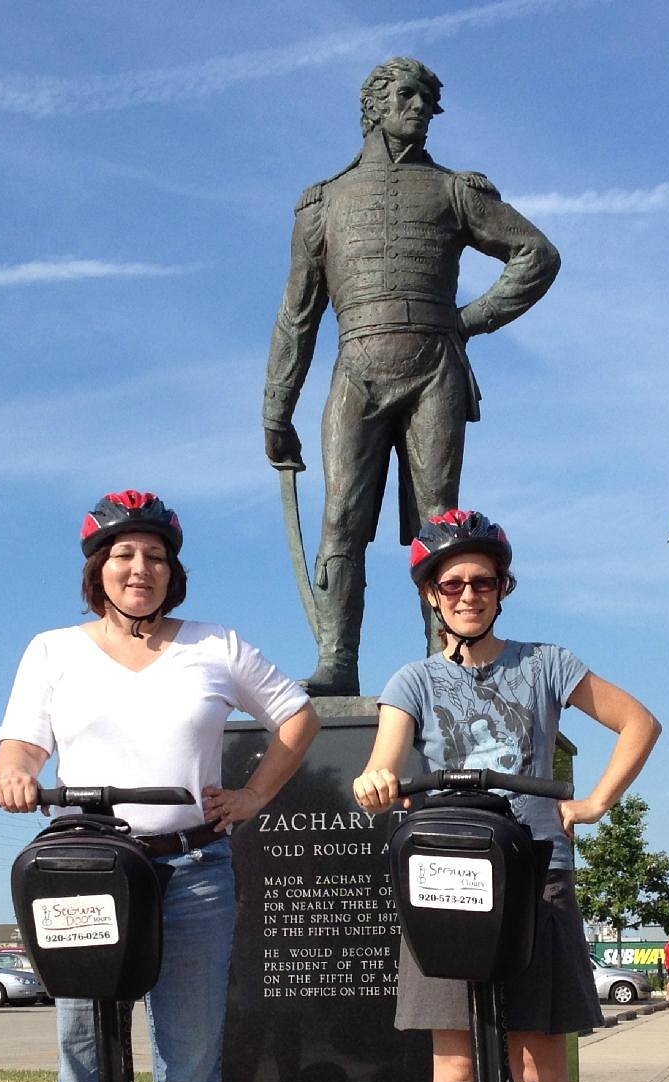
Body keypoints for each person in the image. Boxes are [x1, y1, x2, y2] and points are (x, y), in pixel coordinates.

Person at [0, 491, 319, 1082]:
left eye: (155, 557)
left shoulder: (215, 645)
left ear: (173, 571)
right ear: (98, 568)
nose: (139, 570)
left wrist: (250, 797)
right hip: (87, 876)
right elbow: (22, 741)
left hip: (192, 873)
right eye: (123, 555)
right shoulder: (53, 650)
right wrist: (17, 773)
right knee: (84, 1073)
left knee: (192, 1074)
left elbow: (296, 715)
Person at [353, 509, 660, 1082]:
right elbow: (386, 754)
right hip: (446, 883)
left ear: (502, 589)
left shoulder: (547, 664)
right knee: (454, 1067)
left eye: (481, 581)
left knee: (538, 1065)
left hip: (533, 875)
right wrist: (378, 779)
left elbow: (639, 722)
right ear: (430, 594)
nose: (467, 593)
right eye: (450, 583)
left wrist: (593, 801)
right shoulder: (413, 681)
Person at [263, 56, 561, 696]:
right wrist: (275, 412)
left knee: (440, 521)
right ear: (372, 106)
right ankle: (337, 662)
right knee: (341, 515)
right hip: (357, 368)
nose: (420, 108)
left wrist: (468, 320)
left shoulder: (455, 189)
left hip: (434, 367)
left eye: (428, 100)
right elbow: (297, 318)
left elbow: (536, 253)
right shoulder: (324, 203)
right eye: (407, 95)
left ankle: (447, 664)